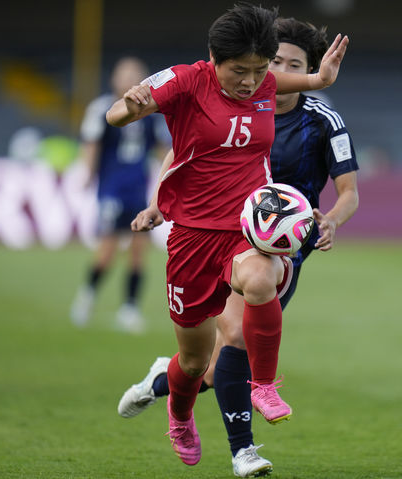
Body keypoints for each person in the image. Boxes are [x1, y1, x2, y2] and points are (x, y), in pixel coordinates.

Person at [105, 4, 349, 469]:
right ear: (214, 59)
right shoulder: (183, 80)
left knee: (261, 279)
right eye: (240, 71)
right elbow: (118, 115)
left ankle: (264, 384)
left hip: (245, 228)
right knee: (194, 363)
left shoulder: (266, 85)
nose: (252, 82)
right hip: (191, 239)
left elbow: (307, 84)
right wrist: (131, 106)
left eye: (260, 71)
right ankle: (179, 416)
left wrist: (322, 78)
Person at [70, 57, 169, 333]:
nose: (129, 79)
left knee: (139, 251)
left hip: (139, 189)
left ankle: (130, 308)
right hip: (112, 190)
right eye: (124, 74)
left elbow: (163, 149)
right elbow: (92, 144)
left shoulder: (151, 112)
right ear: (114, 79)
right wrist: (87, 173)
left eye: (135, 75)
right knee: (108, 250)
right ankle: (87, 296)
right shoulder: (101, 109)